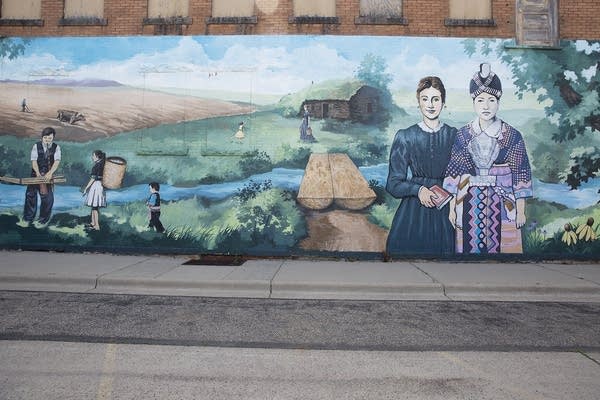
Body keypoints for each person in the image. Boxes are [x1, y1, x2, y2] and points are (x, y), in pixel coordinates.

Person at [443, 63, 533, 253]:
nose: (486, 106)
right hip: (468, 200)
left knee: (505, 250)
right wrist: (452, 208)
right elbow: (455, 172)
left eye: (491, 100)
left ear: (498, 101)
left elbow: (520, 172)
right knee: (468, 249)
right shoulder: (464, 134)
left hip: (503, 199)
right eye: (480, 100)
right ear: (473, 102)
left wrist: (521, 210)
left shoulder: (511, 135)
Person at [385, 76, 457, 256]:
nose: (430, 104)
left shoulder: (454, 136)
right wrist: (418, 190)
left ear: (443, 102)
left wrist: (455, 204)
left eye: (435, 99)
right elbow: (393, 184)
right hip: (413, 213)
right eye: (425, 99)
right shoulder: (406, 136)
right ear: (419, 103)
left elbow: (465, 177)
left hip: (447, 210)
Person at [22, 127, 61, 226]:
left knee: (48, 198)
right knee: (30, 196)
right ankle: (28, 219)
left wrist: (50, 173)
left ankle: (43, 220)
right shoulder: (36, 146)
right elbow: (34, 161)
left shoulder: (56, 147)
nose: (47, 139)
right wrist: (38, 173)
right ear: (42, 137)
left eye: (50, 138)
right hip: (35, 174)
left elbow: (56, 162)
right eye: (45, 137)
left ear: (53, 138)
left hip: (48, 176)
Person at [82, 150, 107, 231]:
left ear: (97, 156)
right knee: (94, 206)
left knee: (95, 207)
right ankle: (93, 223)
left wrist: (86, 188)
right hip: (100, 186)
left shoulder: (97, 165)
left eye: (93, 155)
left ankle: (96, 226)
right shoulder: (103, 164)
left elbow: (93, 178)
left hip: (96, 186)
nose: (92, 157)